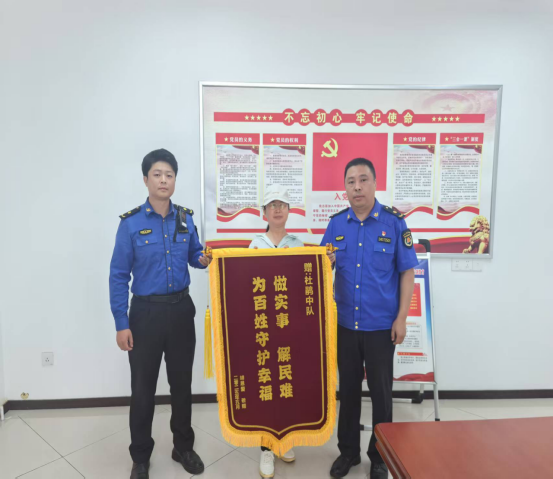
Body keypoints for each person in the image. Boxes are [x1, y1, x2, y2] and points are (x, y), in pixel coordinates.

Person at [109, 149, 211, 479]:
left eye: (169, 174)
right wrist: (121, 323)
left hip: (181, 311)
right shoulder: (131, 223)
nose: (163, 180)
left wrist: (203, 259)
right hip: (145, 315)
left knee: (182, 385)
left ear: (175, 180)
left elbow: (194, 254)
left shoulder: (185, 218)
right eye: (157, 174)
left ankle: (183, 447)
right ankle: (140, 456)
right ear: (146, 180)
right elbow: (118, 276)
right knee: (143, 390)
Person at [322, 158, 417, 479]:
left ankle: (380, 456)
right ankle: (348, 452)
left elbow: (407, 273)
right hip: (345, 326)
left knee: (381, 394)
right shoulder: (336, 225)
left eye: (363, 180)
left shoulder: (394, 223)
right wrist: (326, 262)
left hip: (381, 327)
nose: (357, 187)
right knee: (348, 391)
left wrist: (401, 318)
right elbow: (321, 268)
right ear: (345, 188)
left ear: (375, 183)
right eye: (351, 181)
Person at [249, 184, 302, 478]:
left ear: (289, 210)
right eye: (272, 205)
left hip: (289, 329)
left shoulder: (299, 244)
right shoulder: (255, 246)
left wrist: (328, 265)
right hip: (264, 331)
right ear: (264, 212)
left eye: (282, 204)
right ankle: (266, 449)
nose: (278, 209)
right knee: (266, 389)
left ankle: (285, 441)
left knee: (288, 385)